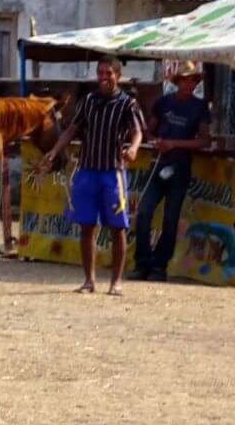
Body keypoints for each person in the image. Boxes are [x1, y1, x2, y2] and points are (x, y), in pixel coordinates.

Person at [39, 56, 145, 296]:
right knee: (87, 227)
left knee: (117, 228)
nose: (104, 77)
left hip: (112, 172)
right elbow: (72, 129)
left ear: (118, 75)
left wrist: (134, 148)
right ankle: (89, 280)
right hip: (87, 170)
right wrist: (54, 151)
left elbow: (137, 131)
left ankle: (116, 282)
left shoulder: (127, 103)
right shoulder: (88, 101)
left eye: (109, 73)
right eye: (100, 73)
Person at [131, 61, 211, 281]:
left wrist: (174, 144)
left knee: (170, 218)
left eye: (193, 80)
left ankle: (159, 266)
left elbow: (204, 140)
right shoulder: (162, 103)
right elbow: (148, 130)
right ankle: (142, 263)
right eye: (185, 80)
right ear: (178, 81)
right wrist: (155, 140)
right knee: (144, 212)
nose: (189, 84)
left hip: (180, 166)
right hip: (158, 164)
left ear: (196, 82)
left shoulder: (200, 107)